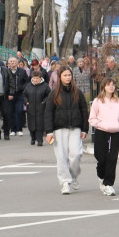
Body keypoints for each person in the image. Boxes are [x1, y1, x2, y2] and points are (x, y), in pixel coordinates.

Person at [44, 65, 89, 195]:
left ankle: (73, 175)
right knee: (61, 157)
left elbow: (84, 111)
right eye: (65, 75)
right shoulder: (54, 93)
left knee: (76, 154)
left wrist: (85, 128)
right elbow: (48, 113)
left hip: (75, 128)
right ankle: (65, 182)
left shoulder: (77, 92)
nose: (67, 77)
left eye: (69, 75)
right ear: (60, 77)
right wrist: (49, 131)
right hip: (59, 130)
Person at [89, 78, 119, 196]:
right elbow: (92, 118)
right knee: (101, 157)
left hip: (115, 131)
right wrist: (101, 125)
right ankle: (101, 175)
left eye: (113, 85)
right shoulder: (97, 101)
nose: (111, 87)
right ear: (103, 87)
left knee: (112, 157)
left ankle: (108, 184)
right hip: (101, 131)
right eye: (108, 85)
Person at [23, 69, 50, 146]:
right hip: (30, 108)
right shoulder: (28, 86)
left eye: (37, 78)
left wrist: (44, 102)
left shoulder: (45, 86)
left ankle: (40, 140)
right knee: (31, 124)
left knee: (40, 124)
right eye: (34, 78)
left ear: (40, 78)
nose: (35, 80)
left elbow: (49, 95)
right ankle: (33, 138)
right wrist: (26, 102)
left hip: (41, 108)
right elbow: (24, 95)